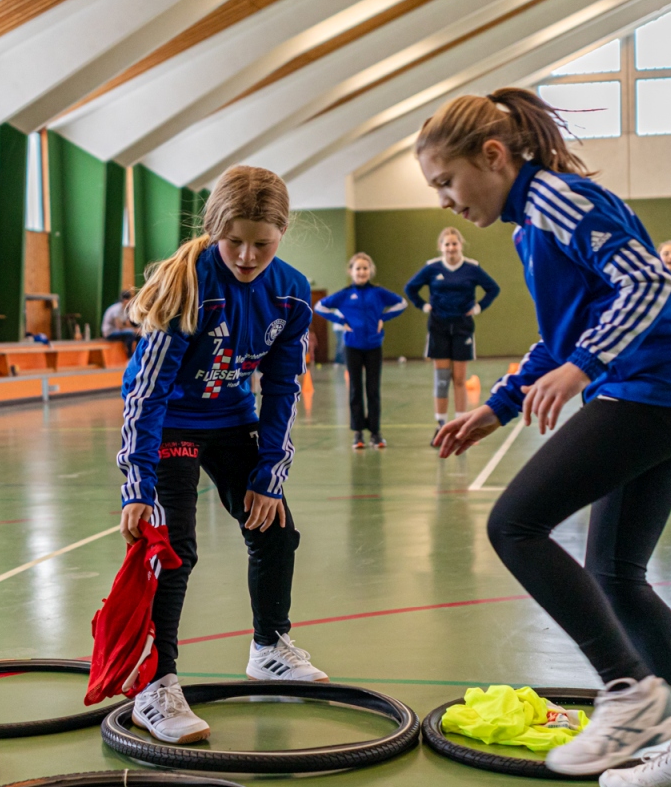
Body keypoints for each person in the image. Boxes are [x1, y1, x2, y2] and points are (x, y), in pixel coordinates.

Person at [422, 87, 671, 787]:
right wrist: (498, 406)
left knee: (515, 525)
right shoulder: (530, 224)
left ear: (494, 156)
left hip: (651, 390)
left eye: (446, 181)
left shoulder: (557, 202)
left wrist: (585, 367)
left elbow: (645, 281)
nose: (444, 200)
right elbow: (560, 335)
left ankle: (632, 697)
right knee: (617, 574)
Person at [116, 165, 326, 746]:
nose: (247, 255)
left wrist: (269, 475)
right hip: (171, 427)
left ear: (283, 233)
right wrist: (138, 482)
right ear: (213, 231)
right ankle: (155, 686)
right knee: (174, 551)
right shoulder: (182, 285)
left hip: (231, 420)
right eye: (234, 241)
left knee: (276, 531)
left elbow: (283, 390)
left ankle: (269, 647)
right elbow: (146, 391)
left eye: (262, 243)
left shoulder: (290, 292)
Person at [404, 228, 500, 441]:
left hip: (462, 327)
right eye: (447, 244)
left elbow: (493, 288)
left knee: (459, 378)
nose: (451, 248)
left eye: (454, 244)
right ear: (441, 247)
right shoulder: (432, 268)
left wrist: (478, 308)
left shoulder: (472, 268)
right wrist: (423, 306)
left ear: (460, 245)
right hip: (438, 326)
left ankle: (460, 424)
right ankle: (440, 424)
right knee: (441, 379)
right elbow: (410, 288)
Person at [317, 253, 408, 449]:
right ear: (351, 271)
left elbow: (402, 303)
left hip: (374, 346)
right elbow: (319, 307)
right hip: (352, 347)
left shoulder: (378, 292)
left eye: (365, 268)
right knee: (356, 390)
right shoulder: (344, 294)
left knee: (373, 390)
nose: (361, 272)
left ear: (370, 271)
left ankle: (375, 432)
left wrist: (385, 317)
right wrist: (341, 322)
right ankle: (358, 432)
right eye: (357, 268)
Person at [101, 289, 138, 355]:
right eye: (130, 300)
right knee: (131, 334)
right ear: (125, 300)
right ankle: (129, 355)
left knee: (137, 334)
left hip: (117, 330)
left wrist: (137, 329)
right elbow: (119, 326)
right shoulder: (116, 309)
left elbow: (127, 324)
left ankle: (136, 354)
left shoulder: (125, 309)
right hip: (110, 332)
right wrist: (133, 330)